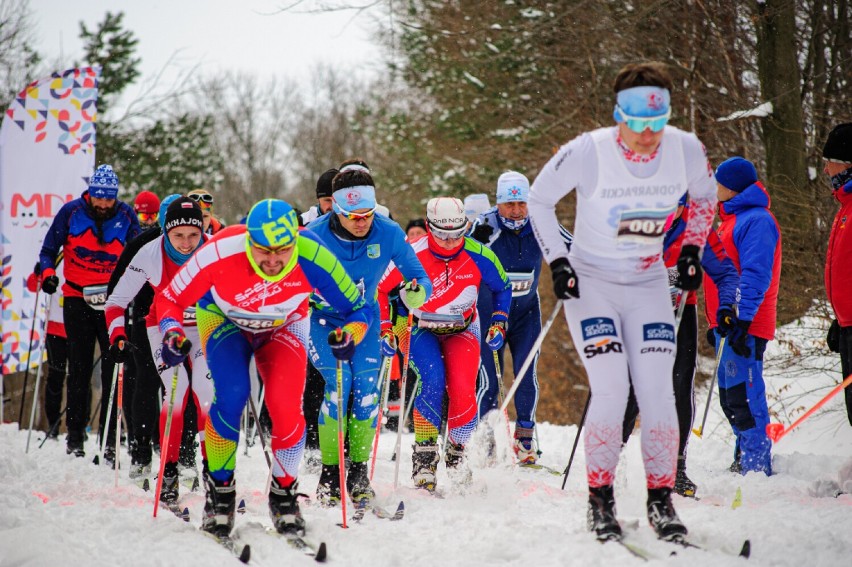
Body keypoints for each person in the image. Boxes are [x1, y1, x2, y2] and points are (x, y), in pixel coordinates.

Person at [527, 62, 717, 542]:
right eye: (637, 124)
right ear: (619, 116)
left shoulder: (686, 149)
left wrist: (692, 250)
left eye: (657, 123)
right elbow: (538, 200)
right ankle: (600, 501)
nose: (648, 135)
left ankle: (661, 501)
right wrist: (559, 261)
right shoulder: (588, 151)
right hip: (592, 284)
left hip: (648, 282)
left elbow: (705, 198)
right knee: (612, 388)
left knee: (658, 392)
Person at [155, 198, 372, 537]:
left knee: (285, 405)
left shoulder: (313, 254)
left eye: (282, 251)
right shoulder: (222, 249)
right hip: (224, 319)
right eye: (262, 251)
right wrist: (170, 332)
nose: (272, 261)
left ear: (294, 243)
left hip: (284, 324)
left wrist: (350, 336)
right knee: (231, 395)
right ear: (248, 242)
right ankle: (220, 494)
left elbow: (359, 310)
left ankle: (284, 494)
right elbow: (169, 298)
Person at [308, 168, 431, 505]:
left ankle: (358, 472)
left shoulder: (388, 232)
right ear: (335, 209)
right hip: (323, 322)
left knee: (366, 394)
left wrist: (416, 291)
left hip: (365, 319)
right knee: (338, 385)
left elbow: (419, 277)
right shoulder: (313, 234)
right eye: (353, 217)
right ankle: (330, 476)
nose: (362, 223)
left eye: (367, 215)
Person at [378, 197, 511, 492]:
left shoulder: (479, 254)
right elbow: (380, 289)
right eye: (442, 234)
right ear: (428, 227)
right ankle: (425, 458)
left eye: (457, 233)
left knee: (463, 388)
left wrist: (499, 321)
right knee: (433, 380)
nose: (451, 242)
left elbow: (503, 287)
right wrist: (386, 327)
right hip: (419, 327)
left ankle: (456, 453)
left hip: (463, 328)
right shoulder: (410, 254)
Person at [622, 192, 740, 497]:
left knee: (679, 386)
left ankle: (676, 468)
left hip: (680, 313)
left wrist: (726, 307)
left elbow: (727, 273)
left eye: (671, 207)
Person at [106, 197, 210, 505]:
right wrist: (118, 334)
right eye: (178, 236)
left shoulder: (213, 250)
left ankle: (215, 472)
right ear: (165, 231)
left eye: (193, 234)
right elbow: (115, 301)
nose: (187, 243)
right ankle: (168, 472)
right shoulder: (149, 254)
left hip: (204, 324)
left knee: (206, 393)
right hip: (162, 326)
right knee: (176, 393)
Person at [38, 164, 142, 461]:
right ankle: (75, 439)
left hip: (113, 301)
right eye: (99, 198)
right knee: (79, 369)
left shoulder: (125, 215)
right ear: (90, 194)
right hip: (76, 297)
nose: (103, 204)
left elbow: (138, 253)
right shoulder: (71, 212)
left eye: (109, 198)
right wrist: (47, 274)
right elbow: (48, 250)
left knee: (113, 370)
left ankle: (110, 442)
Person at [470, 171, 573, 464]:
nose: (516, 211)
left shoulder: (541, 222)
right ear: (498, 203)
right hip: (490, 315)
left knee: (526, 376)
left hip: (527, 313)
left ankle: (525, 442)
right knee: (490, 380)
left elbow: (575, 248)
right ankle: (486, 440)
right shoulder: (486, 226)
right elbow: (459, 255)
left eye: (521, 203)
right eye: (509, 204)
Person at [705, 157, 781, 476]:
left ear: (732, 186)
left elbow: (754, 273)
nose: (714, 187)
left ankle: (755, 462)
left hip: (745, 324)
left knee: (745, 397)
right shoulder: (731, 220)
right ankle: (744, 454)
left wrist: (743, 317)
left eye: (718, 182)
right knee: (730, 397)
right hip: (729, 324)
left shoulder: (756, 221)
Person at [106, 194, 182, 483]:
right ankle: (140, 454)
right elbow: (117, 289)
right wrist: (119, 332)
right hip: (143, 320)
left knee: (179, 390)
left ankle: (180, 455)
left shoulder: (194, 246)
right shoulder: (143, 245)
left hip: (183, 323)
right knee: (147, 384)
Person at [822, 123, 852, 426]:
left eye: (829, 161)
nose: (827, 170)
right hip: (848, 324)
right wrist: (841, 318)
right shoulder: (844, 206)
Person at [25, 261, 67, 439]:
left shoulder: (85, 251)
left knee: (80, 377)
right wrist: (37, 273)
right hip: (56, 327)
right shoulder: (57, 256)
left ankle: (78, 426)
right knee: (56, 376)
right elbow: (32, 285)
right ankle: (53, 424)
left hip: (81, 327)